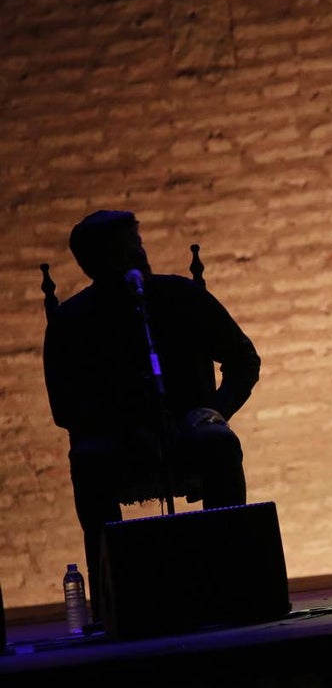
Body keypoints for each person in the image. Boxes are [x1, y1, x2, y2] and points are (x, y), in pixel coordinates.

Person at [42, 210, 261, 623]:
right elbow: (65, 406)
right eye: (122, 250)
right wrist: (125, 429)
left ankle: (231, 582)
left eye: (136, 245)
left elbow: (243, 359)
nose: (136, 255)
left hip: (185, 428)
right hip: (115, 440)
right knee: (91, 462)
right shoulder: (72, 321)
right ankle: (113, 605)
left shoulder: (181, 296)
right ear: (92, 264)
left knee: (219, 444)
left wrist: (216, 409)